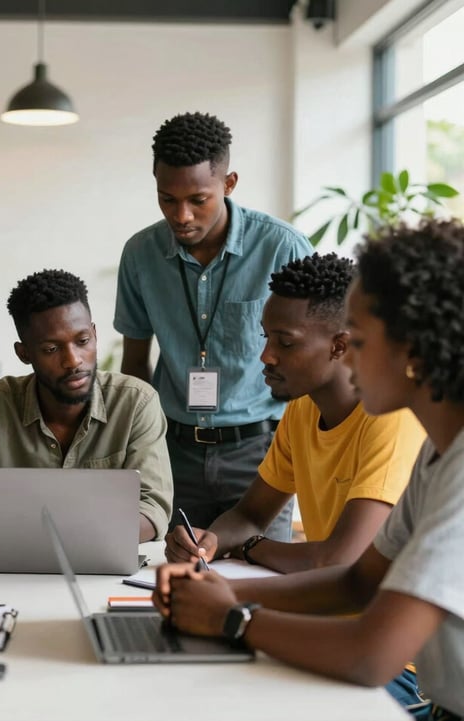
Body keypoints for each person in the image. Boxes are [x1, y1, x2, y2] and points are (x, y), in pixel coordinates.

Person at [154, 218, 464, 721]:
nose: (351, 362)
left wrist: (233, 618)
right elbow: (357, 583)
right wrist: (225, 591)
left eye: (359, 343)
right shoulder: (439, 454)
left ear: (412, 348)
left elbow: (369, 654)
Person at [114, 111, 313, 535]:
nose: (181, 215)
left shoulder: (282, 248)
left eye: (198, 200)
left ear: (229, 183)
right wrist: (140, 452)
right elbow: (134, 364)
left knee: (257, 579)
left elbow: (314, 360)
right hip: (172, 454)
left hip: (261, 455)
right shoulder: (140, 254)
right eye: (167, 199)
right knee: (167, 581)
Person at [165, 253, 426, 574]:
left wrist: (250, 547)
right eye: (266, 336)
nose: (266, 356)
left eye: (285, 343)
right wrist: (207, 541)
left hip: (378, 616)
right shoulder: (302, 408)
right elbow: (250, 516)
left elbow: (339, 559)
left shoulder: (392, 419)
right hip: (326, 601)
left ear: (339, 346)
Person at [0, 269, 173, 545]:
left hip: (104, 571)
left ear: (94, 334)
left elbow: (152, 507)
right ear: (24, 354)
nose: (73, 361)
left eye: (82, 341)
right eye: (50, 349)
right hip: (12, 569)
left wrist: (58, 539)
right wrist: (38, 539)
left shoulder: (136, 403)